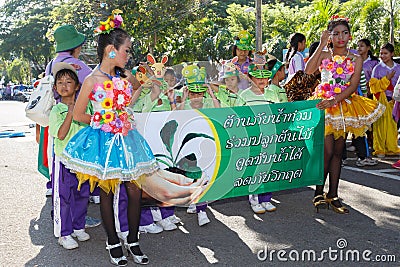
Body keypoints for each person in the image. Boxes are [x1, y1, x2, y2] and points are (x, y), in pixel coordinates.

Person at [61, 10, 204, 266]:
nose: (129, 55)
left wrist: (125, 111)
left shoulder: (125, 76)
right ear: (111, 51)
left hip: (128, 139)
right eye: (126, 50)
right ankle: (113, 241)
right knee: (107, 191)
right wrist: (105, 120)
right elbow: (80, 114)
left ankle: (134, 240)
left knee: (135, 191)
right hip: (104, 141)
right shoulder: (92, 80)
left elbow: (136, 92)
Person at [305, 15, 385, 214]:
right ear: (330, 36)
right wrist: (322, 44)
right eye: (336, 33)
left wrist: (336, 99)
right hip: (323, 105)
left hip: (343, 105)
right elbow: (308, 71)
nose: (341, 37)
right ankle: (318, 192)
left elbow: (354, 84)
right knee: (327, 151)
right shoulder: (324, 54)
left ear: (349, 35)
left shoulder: (356, 57)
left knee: (339, 152)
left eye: (345, 33)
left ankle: (333, 194)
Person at [48, 62, 91, 250]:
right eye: (60, 82)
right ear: (55, 88)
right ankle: (64, 233)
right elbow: (61, 134)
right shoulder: (57, 110)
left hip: (82, 161)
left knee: (82, 195)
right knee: (63, 197)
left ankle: (78, 226)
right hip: (64, 160)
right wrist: (71, 113)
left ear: (77, 86)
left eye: (68, 81)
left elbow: (91, 128)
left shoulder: (87, 106)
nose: (64, 86)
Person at [238, 51, 278, 214]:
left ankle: (266, 198)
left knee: (268, 167)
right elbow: (239, 118)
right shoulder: (244, 96)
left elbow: (281, 113)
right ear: (250, 78)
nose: (261, 80)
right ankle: (254, 198)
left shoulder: (273, 93)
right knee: (255, 168)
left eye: (264, 76)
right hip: (253, 139)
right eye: (257, 77)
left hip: (271, 136)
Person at [369, 43, 400, 159]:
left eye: (385, 53)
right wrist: (386, 79)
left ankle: (391, 147)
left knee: (393, 125)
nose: (382, 56)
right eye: (381, 53)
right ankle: (380, 149)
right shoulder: (377, 68)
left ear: (392, 54)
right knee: (379, 126)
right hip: (381, 101)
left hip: (394, 101)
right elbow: (373, 86)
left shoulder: (398, 68)